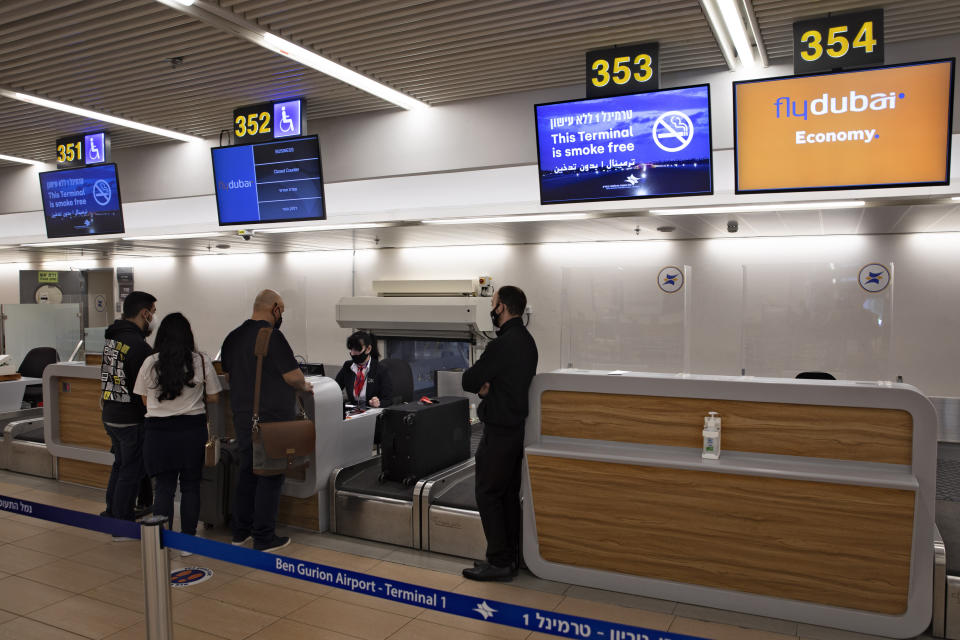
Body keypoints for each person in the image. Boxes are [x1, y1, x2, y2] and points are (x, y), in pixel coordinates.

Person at [220, 290, 312, 552]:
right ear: (274, 309)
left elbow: (228, 375)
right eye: (281, 310)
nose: (281, 315)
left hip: (242, 416)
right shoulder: (272, 336)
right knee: (270, 477)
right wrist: (304, 384)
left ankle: (241, 532)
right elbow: (293, 376)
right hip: (271, 419)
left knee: (247, 473)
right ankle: (264, 537)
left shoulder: (232, 337)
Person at [461, 285, 538, 581]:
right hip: (516, 431)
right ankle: (510, 558)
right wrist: (488, 384)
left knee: (488, 494)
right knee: (506, 495)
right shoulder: (528, 342)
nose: (492, 310)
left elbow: (470, 380)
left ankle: (498, 561)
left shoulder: (501, 344)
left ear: (502, 307)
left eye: (493, 304)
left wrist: (485, 384)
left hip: (497, 432)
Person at [134, 313, 221, 555]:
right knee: (191, 486)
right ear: (188, 335)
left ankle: (163, 540)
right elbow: (214, 396)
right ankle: (188, 542)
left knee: (164, 487)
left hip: (158, 433)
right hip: (191, 431)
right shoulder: (201, 361)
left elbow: (143, 398)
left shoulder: (150, 362)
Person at [100, 291, 157, 531]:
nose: (153, 318)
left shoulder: (113, 339)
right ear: (144, 313)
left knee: (120, 464)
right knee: (131, 470)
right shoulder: (139, 347)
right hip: (131, 419)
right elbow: (145, 388)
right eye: (152, 313)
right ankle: (122, 519)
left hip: (110, 414)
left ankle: (111, 510)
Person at [334, 330, 394, 408]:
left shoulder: (381, 370)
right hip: (353, 412)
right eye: (351, 349)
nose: (352, 353)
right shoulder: (347, 366)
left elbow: (388, 400)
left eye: (357, 349)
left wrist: (378, 403)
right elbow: (335, 389)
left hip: (372, 413)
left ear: (368, 349)